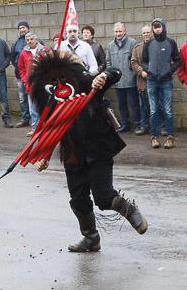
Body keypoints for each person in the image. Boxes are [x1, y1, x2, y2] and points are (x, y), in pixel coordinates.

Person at [30, 53, 147, 252]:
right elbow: (49, 129)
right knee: (77, 200)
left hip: (98, 148)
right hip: (73, 154)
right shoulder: (49, 100)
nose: (59, 83)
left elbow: (115, 72)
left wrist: (104, 76)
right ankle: (91, 238)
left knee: (104, 199)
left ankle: (128, 209)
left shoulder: (87, 84)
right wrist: (43, 155)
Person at [141, 18, 181, 149]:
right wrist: (149, 70)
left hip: (166, 81)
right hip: (152, 81)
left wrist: (169, 71)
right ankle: (154, 137)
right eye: (155, 27)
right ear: (153, 29)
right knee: (153, 111)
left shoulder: (170, 42)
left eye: (159, 27)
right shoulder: (149, 44)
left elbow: (177, 60)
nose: (157, 29)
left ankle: (170, 137)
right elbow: (144, 61)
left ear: (163, 27)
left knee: (167, 110)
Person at [107, 22, 138, 134]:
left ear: (124, 31)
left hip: (130, 80)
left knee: (134, 104)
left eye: (120, 31)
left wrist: (133, 74)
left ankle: (138, 125)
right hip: (118, 81)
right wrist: (111, 74)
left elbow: (136, 60)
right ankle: (125, 124)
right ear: (113, 32)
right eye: (116, 31)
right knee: (122, 104)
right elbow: (108, 61)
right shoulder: (110, 45)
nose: (118, 33)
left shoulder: (133, 43)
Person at [16, 32, 48, 134]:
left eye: (31, 39)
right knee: (32, 108)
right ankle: (35, 128)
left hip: (43, 84)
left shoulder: (45, 50)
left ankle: (46, 127)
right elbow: (21, 69)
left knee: (45, 106)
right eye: (28, 40)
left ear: (36, 39)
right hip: (30, 85)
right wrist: (25, 81)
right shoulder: (23, 53)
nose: (30, 41)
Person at [129, 25, 152, 135]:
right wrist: (142, 72)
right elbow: (133, 62)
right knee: (142, 106)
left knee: (157, 105)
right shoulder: (137, 48)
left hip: (156, 81)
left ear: (152, 33)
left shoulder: (157, 46)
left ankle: (160, 127)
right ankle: (144, 127)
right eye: (144, 33)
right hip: (142, 82)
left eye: (148, 32)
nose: (146, 34)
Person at [10, 21, 31, 128]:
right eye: (20, 28)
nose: (22, 30)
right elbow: (12, 57)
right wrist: (20, 67)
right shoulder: (16, 43)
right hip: (20, 76)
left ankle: (37, 121)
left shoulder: (36, 40)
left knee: (34, 98)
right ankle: (25, 119)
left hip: (33, 77)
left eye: (24, 27)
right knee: (23, 98)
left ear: (28, 28)